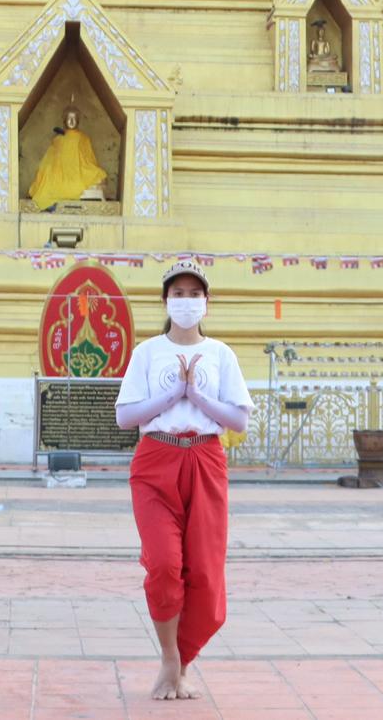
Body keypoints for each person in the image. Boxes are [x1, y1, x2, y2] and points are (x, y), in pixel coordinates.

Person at [116, 259, 254, 702]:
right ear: (165, 301)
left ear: (207, 303)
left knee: (206, 574)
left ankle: (183, 662)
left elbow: (238, 421)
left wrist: (197, 394)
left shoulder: (221, 355)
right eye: (179, 293)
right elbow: (124, 417)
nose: (187, 301)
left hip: (206, 460)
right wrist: (172, 394)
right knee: (163, 564)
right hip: (156, 459)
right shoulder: (147, 352)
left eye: (196, 294)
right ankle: (169, 658)